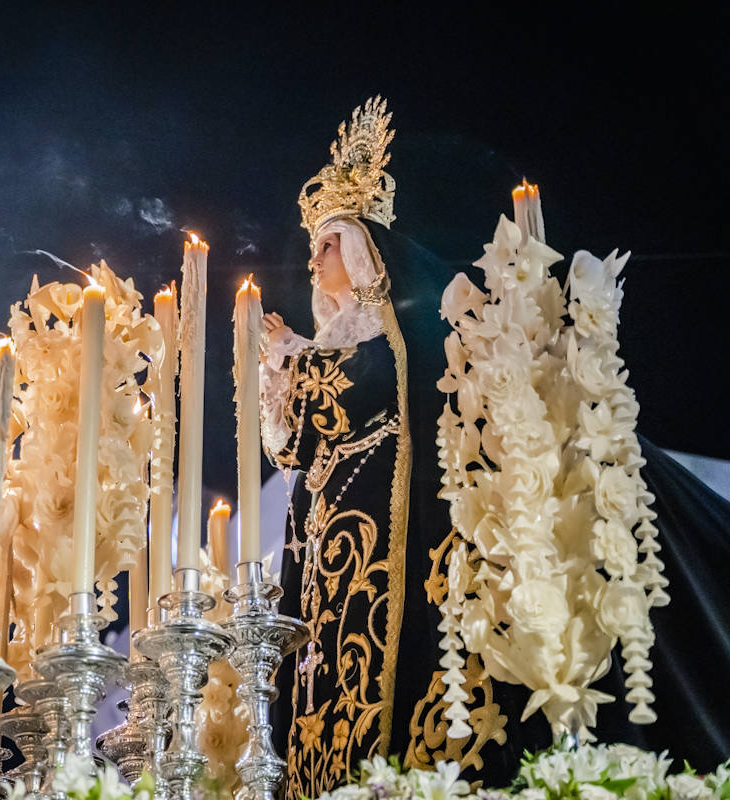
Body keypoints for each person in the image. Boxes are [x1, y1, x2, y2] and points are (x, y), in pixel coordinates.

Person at [264, 98, 730, 799]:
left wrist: (288, 358)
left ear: (365, 249)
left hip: (410, 546)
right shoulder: (337, 341)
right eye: (314, 246)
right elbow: (291, 441)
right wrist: (291, 361)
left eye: (330, 242)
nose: (313, 256)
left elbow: (368, 381)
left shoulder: (398, 335)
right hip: (337, 569)